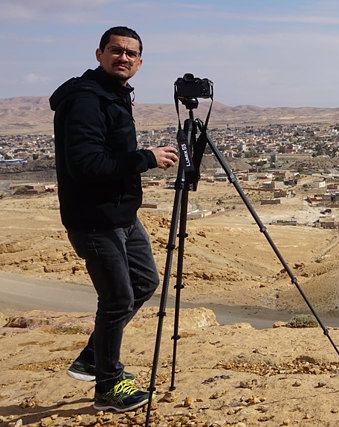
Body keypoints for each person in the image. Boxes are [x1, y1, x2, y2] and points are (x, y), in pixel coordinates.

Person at [49, 26, 179, 412]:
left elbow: (107, 154)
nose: (123, 58)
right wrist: (146, 158)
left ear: (140, 62)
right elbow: (86, 165)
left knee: (144, 282)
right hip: (94, 219)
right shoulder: (87, 100)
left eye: (131, 54)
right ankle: (108, 385)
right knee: (118, 298)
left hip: (122, 214)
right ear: (99, 53)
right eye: (116, 50)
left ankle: (93, 357)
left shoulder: (113, 95)